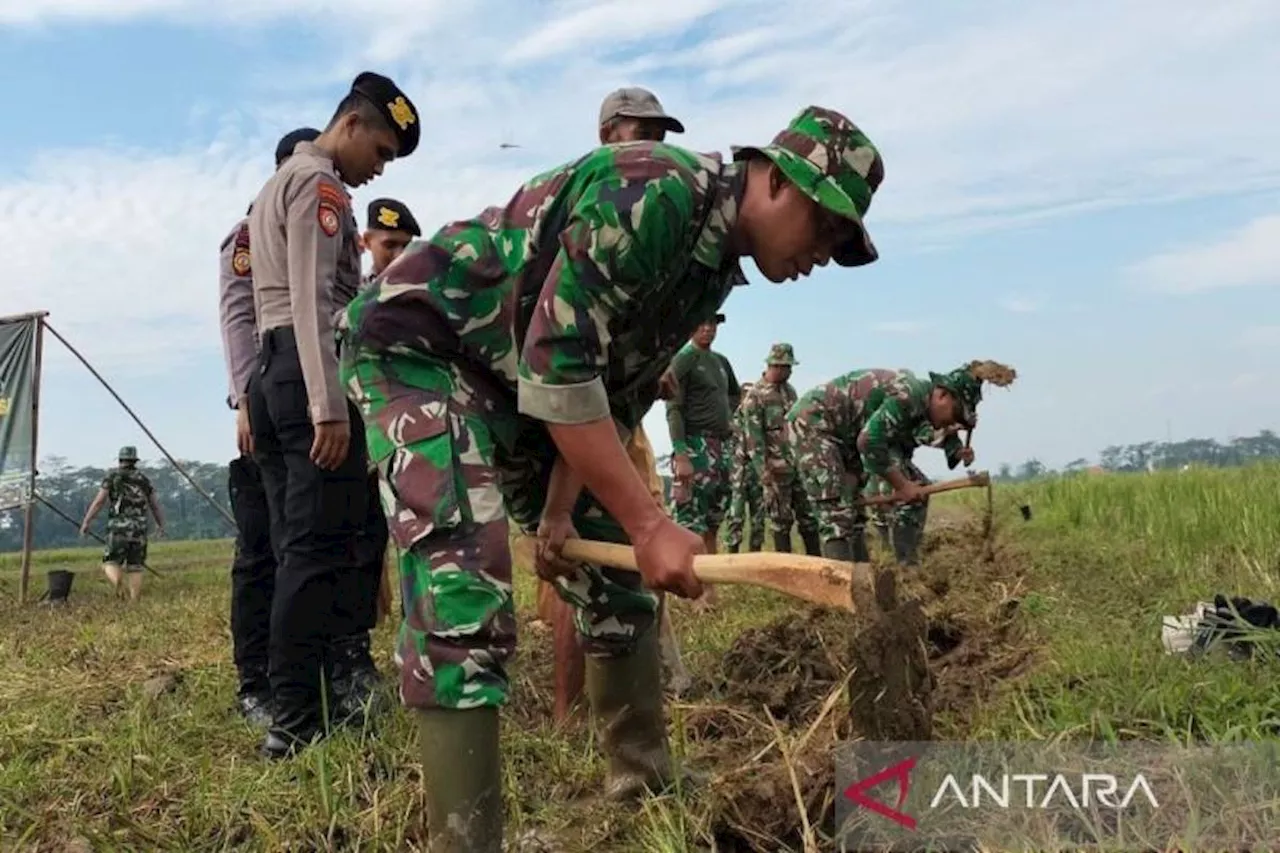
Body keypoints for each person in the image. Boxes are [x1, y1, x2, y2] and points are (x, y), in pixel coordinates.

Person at [338, 104, 884, 848]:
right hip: (422, 352)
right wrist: (650, 522)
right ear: (780, 182)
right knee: (462, 573)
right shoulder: (657, 192)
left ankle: (642, 774)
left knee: (615, 573)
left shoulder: (711, 265)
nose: (824, 254)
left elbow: (610, 394)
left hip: (516, 381)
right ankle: (466, 838)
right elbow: (559, 367)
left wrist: (564, 514)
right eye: (828, 228)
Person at [246, 70, 420, 759]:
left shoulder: (276, 183)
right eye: (379, 151)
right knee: (319, 550)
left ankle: (308, 695)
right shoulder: (319, 187)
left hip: (274, 370)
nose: (377, 170)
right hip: (307, 370)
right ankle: (294, 718)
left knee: (303, 545)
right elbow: (318, 304)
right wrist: (330, 407)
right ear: (351, 125)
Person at [536, 86, 696, 722]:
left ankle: (627, 709)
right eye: (640, 131)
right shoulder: (591, 206)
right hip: (570, 420)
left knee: (622, 566)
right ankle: (567, 712)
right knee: (584, 563)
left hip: (618, 420)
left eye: (660, 134)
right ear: (608, 134)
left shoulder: (658, 222)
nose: (652, 144)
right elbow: (565, 363)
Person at [219, 127, 321, 728]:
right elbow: (238, 314)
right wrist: (241, 400)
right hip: (262, 404)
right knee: (261, 550)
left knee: (305, 543)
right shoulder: (253, 228)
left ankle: (316, 667)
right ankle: (254, 679)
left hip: (303, 404)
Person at [787, 361, 1013, 565]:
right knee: (835, 510)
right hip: (814, 425)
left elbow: (889, 444)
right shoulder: (910, 396)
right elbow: (869, 442)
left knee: (853, 511)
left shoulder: (924, 407)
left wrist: (951, 455)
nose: (951, 422)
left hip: (847, 437)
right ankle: (840, 592)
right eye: (954, 414)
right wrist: (902, 486)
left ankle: (868, 581)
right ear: (942, 395)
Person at [666, 314, 739, 611]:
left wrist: (725, 418)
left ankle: (710, 588)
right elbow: (673, 409)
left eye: (713, 323)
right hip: (695, 445)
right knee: (690, 523)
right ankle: (693, 595)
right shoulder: (683, 360)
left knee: (712, 521)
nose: (708, 328)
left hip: (720, 446)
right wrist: (682, 454)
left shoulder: (720, 362)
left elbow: (733, 394)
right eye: (702, 322)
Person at [739, 342, 821, 555]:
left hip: (796, 467)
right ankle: (785, 571)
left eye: (790, 367)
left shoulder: (789, 391)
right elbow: (753, 439)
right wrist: (763, 472)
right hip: (775, 471)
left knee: (809, 518)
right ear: (773, 366)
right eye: (785, 367)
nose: (789, 372)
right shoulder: (755, 397)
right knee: (780, 521)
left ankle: (816, 564)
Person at [79, 446, 165, 602]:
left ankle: (119, 587)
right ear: (135, 461)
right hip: (139, 528)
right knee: (136, 566)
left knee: (110, 562)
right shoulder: (144, 480)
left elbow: (99, 502)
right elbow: (154, 505)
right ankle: (134, 602)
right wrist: (160, 524)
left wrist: (87, 521)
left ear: (120, 461)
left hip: (118, 527)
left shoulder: (112, 478)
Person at [722, 380, 766, 554]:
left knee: (759, 516)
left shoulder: (759, 418)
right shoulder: (730, 420)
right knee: (735, 515)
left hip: (757, 472)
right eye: (745, 394)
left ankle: (755, 553)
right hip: (738, 473)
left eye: (751, 394)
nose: (748, 397)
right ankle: (731, 556)